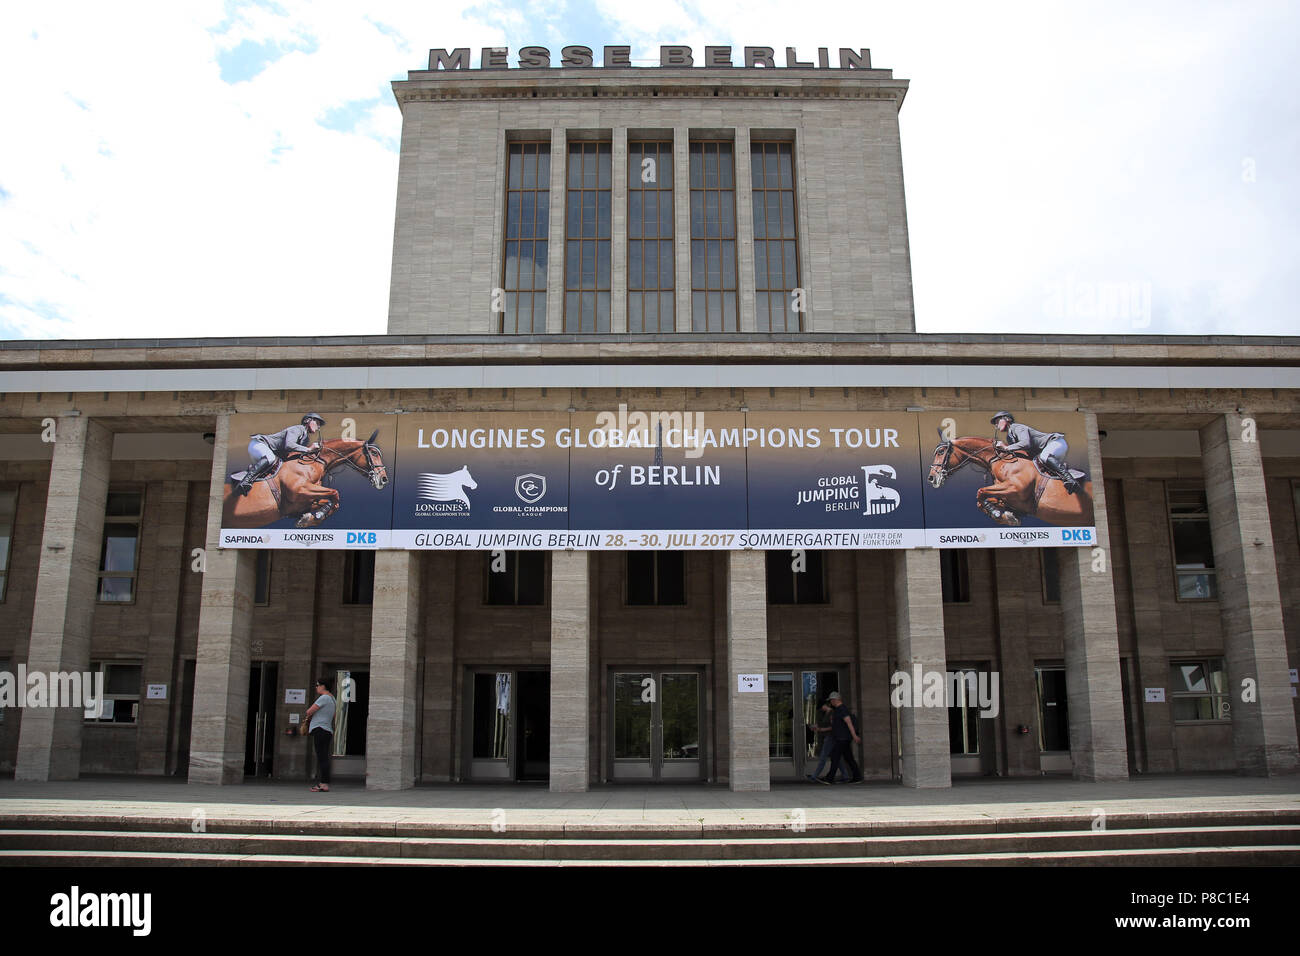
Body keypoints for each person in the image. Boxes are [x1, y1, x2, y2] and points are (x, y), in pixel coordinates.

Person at [235, 412, 326, 496]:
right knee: (270, 458)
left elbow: (296, 453)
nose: (318, 427)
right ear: (308, 420)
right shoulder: (298, 429)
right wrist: (309, 449)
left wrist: (313, 451)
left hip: (268, 452)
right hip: (259, 444)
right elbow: (289, 445)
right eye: (317, 423)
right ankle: (244, 482)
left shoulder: (305, 438)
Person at [990, 412, 1080, 495]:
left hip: (1055, 443)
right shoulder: (1009, 437)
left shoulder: (1018, 427)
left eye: (997, 421)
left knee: (1044, 457)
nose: (996, 425)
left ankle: (1071, 480)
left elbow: (1025, 443)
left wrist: (1006, 447)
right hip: (1047, 450)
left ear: (1007, 419)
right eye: (995, 424)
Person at [818, 691, 862, 784]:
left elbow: (848, 722)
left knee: (835, 756)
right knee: (848, 758)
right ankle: (857, 777)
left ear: (835, 700)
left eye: (831, 700)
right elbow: (838, 725)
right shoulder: (838, 709)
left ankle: (830, 778)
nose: (830, 702)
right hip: (843, 738)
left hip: (843, 738)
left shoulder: (842, 709)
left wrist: (854, 736)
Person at [303, 677, 336, 792]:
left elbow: (309, 711)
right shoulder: (333, 699)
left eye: (317, 685)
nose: (316, 687)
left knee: (322, 757)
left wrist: (310, 716)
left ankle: (323, 783)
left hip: (319, 729)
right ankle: (324, 782)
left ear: (323, 686)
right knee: (324, 756)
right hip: (327, 730)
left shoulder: (324, 698)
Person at [806, 703, 852, 783]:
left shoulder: (832, 713)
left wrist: (820, 729)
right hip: (831, 737)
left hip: (831, 737)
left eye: (821, 707)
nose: (821, 709)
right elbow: (824, 724)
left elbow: (832, 726)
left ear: (825, 705)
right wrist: (814, 726)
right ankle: (845, 776)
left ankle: (814, 776)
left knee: (823, 757)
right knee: (837, 758)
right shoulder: (827, 713)